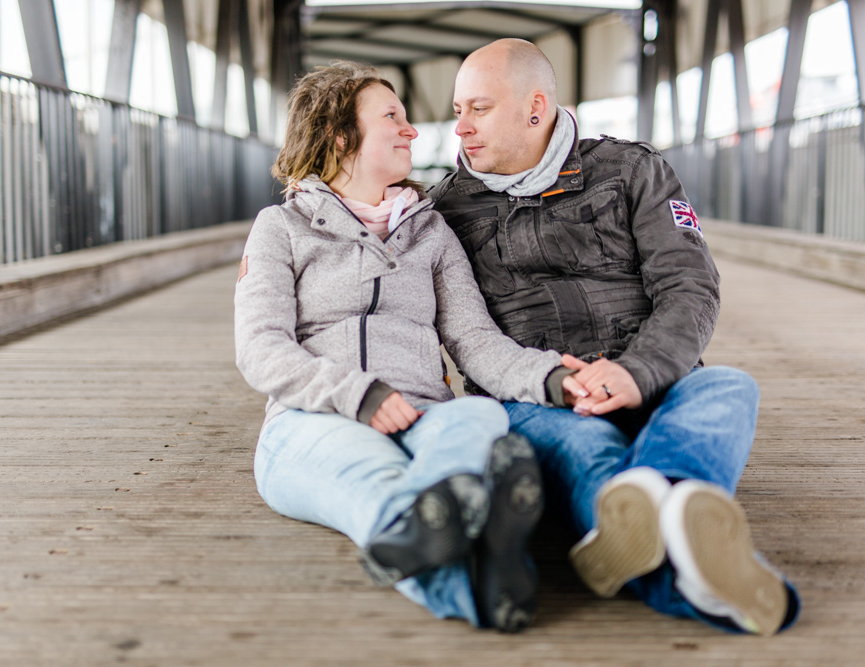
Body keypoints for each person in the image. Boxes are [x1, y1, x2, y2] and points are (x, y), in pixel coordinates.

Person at [429, 39, 801, 636]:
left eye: (479, 108)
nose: (461, 128)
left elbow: (690, 288)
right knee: (584, 451)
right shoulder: (444, 209)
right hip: (537, 400)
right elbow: (369, 257)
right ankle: (699, 556)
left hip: (653, 378)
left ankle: (662, 509)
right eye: (457, 111)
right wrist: (275, 247)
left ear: (534, 107)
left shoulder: (631, 171)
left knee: (728, 388)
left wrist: (637, 372)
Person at [233, 61, 598, 633]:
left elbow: (474, 341)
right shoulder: (281, 227)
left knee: (476, 415)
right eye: (392, 118)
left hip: (423, 416)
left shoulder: (430, 231)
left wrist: (551, 376)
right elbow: (260, 346)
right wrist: (360, 395)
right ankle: (481, 578)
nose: (411, 131)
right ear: (340, 136)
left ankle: (450, 513)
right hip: (312, 421)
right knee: (380, 480)